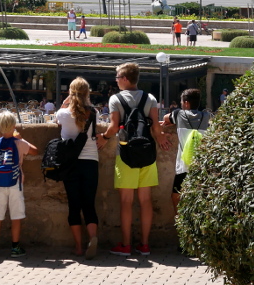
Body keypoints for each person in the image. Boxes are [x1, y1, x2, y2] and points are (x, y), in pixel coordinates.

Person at [103, 62, 169, 257]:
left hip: (125, 153)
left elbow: (114, 127)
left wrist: (104, 138)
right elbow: (155, 126)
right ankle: (145, 245)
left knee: (126, 201)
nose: (115, 81)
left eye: (117, 77)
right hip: (147, 153)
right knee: (146, 200)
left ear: (125, 79)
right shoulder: (150, 98)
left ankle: (125, 245)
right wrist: (161, 138)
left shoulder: (115, 99)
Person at [56, 77, 102, 259]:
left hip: (71, 163)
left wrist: (66, 101)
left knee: (74, 205)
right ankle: (93, 238)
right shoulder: (94, 113)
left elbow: (57, 118)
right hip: (90, 161)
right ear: (87, 93)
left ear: (70, 92)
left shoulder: (64, 114)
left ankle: (78, 247)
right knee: (89, 204)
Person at [0, 110, 36, 257]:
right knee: (16, 214)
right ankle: (15, 247)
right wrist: (21, 138)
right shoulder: (19, 143)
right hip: (15, 182)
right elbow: (34, 151)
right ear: (14, 125)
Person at [162, 88, 212, 215]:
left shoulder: (179, 114)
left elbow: (165, 118)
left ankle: (180, 222)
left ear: (186, 103)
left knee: (175, 195)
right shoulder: (206, 116)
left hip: (184, 165)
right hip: (201, 166)